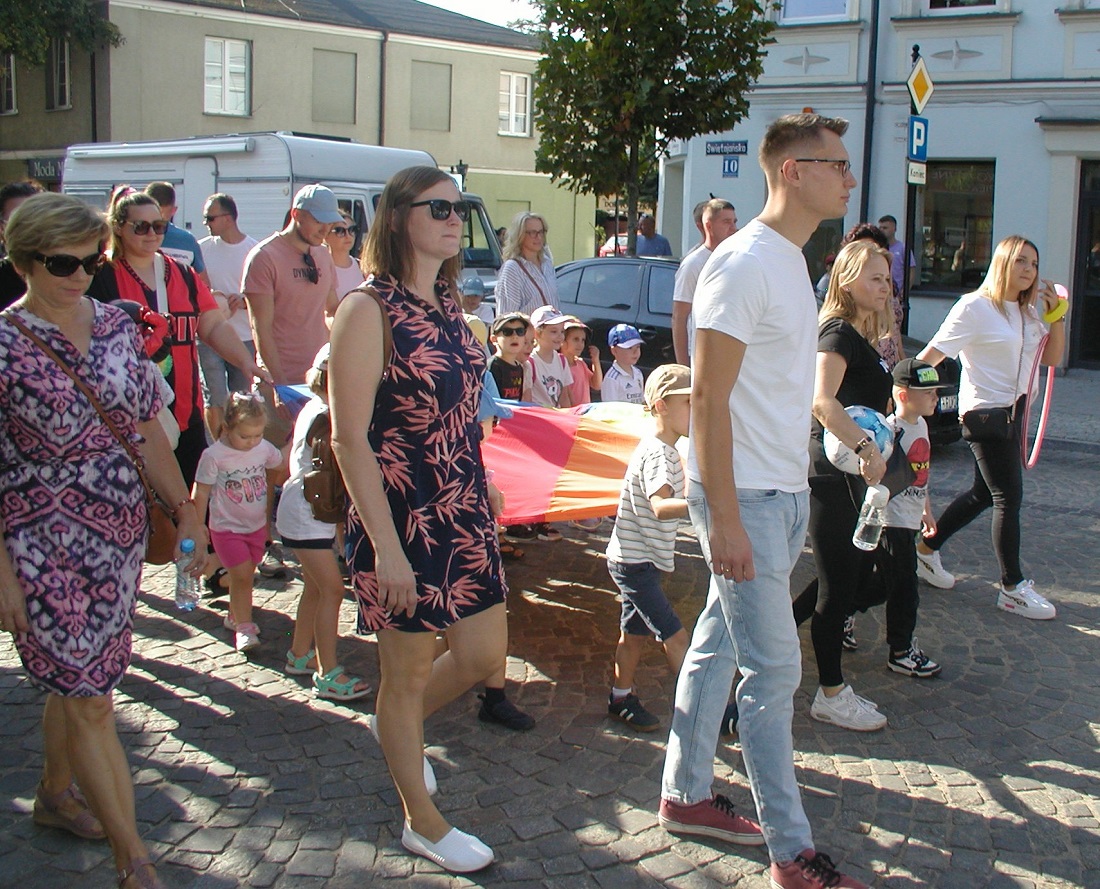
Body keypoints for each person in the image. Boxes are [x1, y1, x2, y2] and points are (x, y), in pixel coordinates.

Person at [659, 113, 870, 889]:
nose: (849, 178)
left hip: (778, 492)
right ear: (792, 171)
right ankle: (792, 851)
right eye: (837, 165)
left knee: (718, 647)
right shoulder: (743, 262)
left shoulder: (793, 260)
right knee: (775, 673)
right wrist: (726, 518)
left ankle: (685, 793)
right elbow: (707, 398)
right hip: (741, 495)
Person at [0, 192, 206, 889]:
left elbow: (147, 426)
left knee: (83, 679)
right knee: (91, 697)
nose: (80, 275)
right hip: (39, 544)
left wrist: (185, 510)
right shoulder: (4, 345)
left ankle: (54, 793)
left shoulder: (118, 324)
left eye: (91, 262)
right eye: (62, 263)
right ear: (23, 262)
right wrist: (2, 575)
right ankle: (133, 859)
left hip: (118, 535)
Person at [329, 165, 508, 873]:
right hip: (399, 514)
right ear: (399, 216)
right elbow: (349, 438)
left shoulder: (450, 304)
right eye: (438, 208)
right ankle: (421, 821)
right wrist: (387, 549)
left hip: (463, 506)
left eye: (458, 208)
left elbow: (462, 413)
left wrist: (482, 481)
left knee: (483, 656)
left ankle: (393, 728)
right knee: (403, 674)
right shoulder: (365, 309)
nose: (454, 218)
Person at [916, 235, 1066, 619]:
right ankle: (1012, 587)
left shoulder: (1026, 312)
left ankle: (926, 549)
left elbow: (1052, 358)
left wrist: (1057, 317)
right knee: (1007, 496)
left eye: (1033, 263)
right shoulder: (975, 307)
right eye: (1020, 261)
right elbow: (932, 354)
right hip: (985, 414)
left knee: (983, 494)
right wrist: (907, 394)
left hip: (1016, 412)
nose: (1028, 269)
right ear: (1002, 262)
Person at [88, 190, 267, 489]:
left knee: (192, 498)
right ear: (118, 227)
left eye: (158, 226)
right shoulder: (101, 275)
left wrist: (245, 362)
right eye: (141, 227)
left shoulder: (182, 273)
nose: (152, 234)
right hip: (128, 417)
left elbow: (211, 325)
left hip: (185, 413)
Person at [790, 240, 894, 733]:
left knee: (854, 576)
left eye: (887, 278)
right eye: (875, 277)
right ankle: (830, 693)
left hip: (854, 475)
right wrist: (867, 448)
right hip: (834, 474)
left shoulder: (859, 335)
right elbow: (822, 401)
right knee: (839, 585)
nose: (885, 286)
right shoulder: (836, 332)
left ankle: (775, 640)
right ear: (847, 281)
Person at [277, 344, 371, 699]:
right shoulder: (328, 416)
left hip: (306, 508)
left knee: (316, 587)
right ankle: (326, 672)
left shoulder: (315, 407)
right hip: (309, 511)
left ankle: (300, 653)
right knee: (331, 589)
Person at [605, 365, 692, 732]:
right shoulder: (660, 454)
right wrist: (702, 504)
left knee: (633, 634)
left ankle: (620, 697)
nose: (696, 410)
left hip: (638, 560)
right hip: (635, 564)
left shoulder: (664, 447)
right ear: (661, 406)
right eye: (689, 402)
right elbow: (660, 506)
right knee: (675, 636)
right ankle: (703, 711)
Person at [846, 358, 943, 678]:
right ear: (903, 395)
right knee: (904, 588)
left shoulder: (922, 426)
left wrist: (926, 509)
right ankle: (901, 651)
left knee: (887, 583)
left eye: (936, 391)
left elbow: (920, 473)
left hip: (910, 519)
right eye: (928, 392)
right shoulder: (888, 431)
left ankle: (844, 610)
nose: (935, 397)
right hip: (891, 520)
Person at [191, 392, 284, 652]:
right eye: (245, 436)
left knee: (245, 575)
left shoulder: (263, 448)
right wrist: (198, 526)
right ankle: (244, 628)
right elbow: (201, 492)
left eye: (258, 435)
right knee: (242, 575)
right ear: (228, 426)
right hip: (226, 528)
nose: (252, 442)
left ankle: (234, 615)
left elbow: (278, 463)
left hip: (256, 527)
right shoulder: (214, 455)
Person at [198, 193, 259, 440]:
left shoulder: (254, 250)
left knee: (241, 398)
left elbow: (268, 294)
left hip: (244, 336)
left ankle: (238, 445)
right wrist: (212, 298)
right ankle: (217, 446)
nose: (206, 223)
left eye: (210, 218)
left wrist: (244, 302)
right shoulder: (201, 249)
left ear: (228, 218)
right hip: (209, 337)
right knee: (214, 397)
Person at [672, 199, 737, 365]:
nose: (733, 228)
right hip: (701, 357)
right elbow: (679, 317)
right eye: (726, 222)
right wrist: (683, 367)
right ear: (708, 226)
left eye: (734, 222)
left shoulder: (737, 259)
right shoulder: (693, 264)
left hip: (730, 352)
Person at [495, 211, 558, 316]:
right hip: (528, 326)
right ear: (520, 235)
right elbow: (507, 316)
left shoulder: (547, 263)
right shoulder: (512, 269)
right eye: (533, 233)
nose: (538, 237)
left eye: (541, 232)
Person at [143, 182, 209, 283]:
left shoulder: (133, 237)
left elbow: (203, 282)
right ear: (174, 210)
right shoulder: (187, 241)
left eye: (160, 222)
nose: (153, 233)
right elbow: (204, 283)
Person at [0, 180, 43, 306]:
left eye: (36, 217)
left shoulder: (76, 268)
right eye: (18, 221)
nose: (30, 227)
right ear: (2, 227)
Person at [527, 304, 574, 410]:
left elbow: (564, 397)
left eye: (562, 331)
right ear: (537, 333)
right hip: (539, 415)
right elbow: (526, 399)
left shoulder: (562, 361)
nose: (560, 336)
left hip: (555, 415)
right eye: (554, 331)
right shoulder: (530, 362)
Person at [488, 311, 531, 402]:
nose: (515, 336)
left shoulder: (520, 368)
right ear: (494, 339)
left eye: (520, 331)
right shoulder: (492, 366)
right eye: (507, 332)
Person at [325, 210, 366, 302]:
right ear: (326, 236)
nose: (348, 236)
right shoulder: (322, 270)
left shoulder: (363, 267)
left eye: (352, 230)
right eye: (340, 231)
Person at [561, 315, 602, 406]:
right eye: (576, 339)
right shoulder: (558, 366)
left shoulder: (581, 364)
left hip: (584, 411)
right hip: (570, 412)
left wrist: (595, 361)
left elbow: (597, 385)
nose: (580, 344)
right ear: (562, 340)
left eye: (583, 340)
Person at [602, 324, 645, 404]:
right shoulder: (612, 379)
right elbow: (609, 407)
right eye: (629, 348)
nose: (635, 352)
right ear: (614, 351)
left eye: (638, 347)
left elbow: (642, 401)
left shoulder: (638, 373)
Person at [877, 214, 915, 296]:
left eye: (885, 228)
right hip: (879, 293)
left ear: (894, 229)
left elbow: (911, 271)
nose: (882, 230)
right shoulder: (877, 249)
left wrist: (904, 291)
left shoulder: (903, 248)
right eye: (880, 228)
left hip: (896, 295)